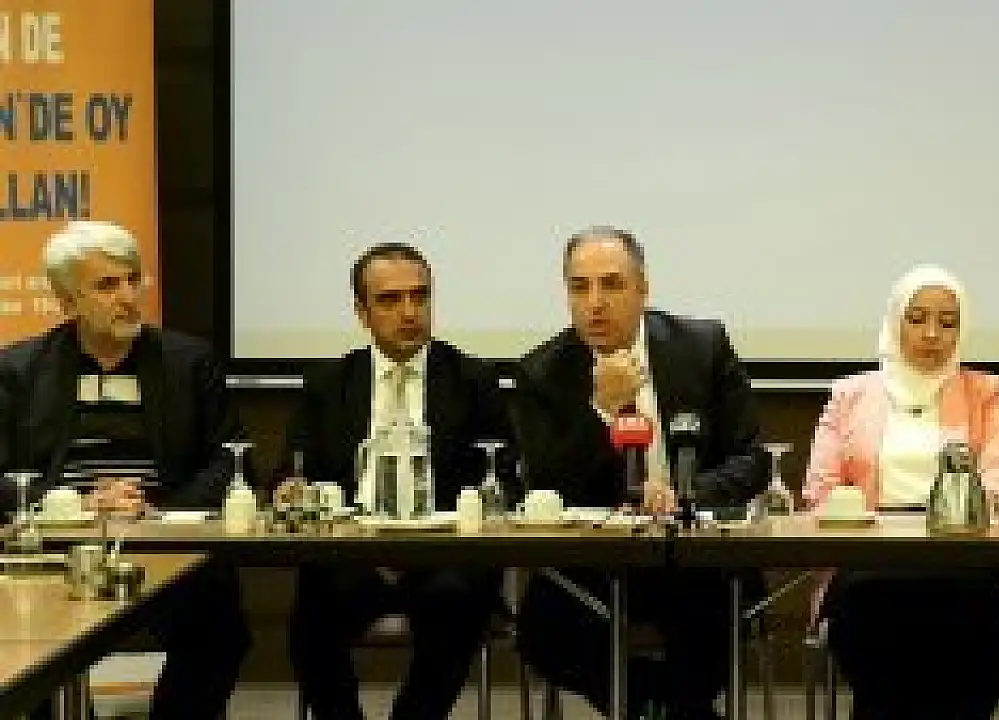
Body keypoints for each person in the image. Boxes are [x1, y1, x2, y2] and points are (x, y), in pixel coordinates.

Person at [512, 226, 765, 719]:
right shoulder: (542, 373)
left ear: (643, 289)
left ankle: (662, 706)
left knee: (712, 616)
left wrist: (683, 493)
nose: (595, 303)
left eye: (611, 284)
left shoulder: (702, 347)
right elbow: (545, 485)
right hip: (591, 562)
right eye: (580, 287)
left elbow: (751, 460)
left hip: (690, 553)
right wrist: (600, 412)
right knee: (544, 631)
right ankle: (660, 708)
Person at [0, 220, 250, 720]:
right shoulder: (19, 370)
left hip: (165, 542)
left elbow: (231, 459)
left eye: (134, 280)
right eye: (107, 285)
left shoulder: (189, 362)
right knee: (32, 644)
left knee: (220, 628)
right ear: (67, 302)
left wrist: (155, 508)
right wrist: (73, 504)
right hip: (56, 549)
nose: (128, 297)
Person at [278, 242, 516, 720]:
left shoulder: (472, 379)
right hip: (354, 555)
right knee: (313, 616)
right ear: (361, 312)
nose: (410, 312)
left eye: (420, 296)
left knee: (456, 603)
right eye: (390, 300)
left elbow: (506, 477)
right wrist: (291, 490)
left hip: (444, 557)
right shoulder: (329, 383)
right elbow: (292, 472)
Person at [803, 265, 999, 720]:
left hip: (968, 552)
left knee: (983, 615)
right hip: (869, 555)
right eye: (917, 319)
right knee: (867, 610)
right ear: (894, 320)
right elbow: (821, 488)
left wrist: (959, 520)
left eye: (947, 322)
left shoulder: (986, 393)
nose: (932, 334)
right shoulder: (849, 395)